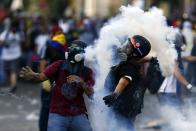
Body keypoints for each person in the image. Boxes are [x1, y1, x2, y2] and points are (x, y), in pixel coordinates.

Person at [20, 40, 94, 131]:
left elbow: (91, 94)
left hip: (78, 114)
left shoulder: (87, 72)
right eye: (70, 49)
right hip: (58, 114)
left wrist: (81, 82)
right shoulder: (59, 65)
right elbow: (40, 78)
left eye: (73, 49)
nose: (70, 51)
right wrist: (33, 76)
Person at [103, 35, 151, 131]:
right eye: (126, 43)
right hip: (126, 106)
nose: (124, 47)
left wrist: (115, 95)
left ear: (134, 53)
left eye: (128, 47)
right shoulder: (130, 62)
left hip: (122, 107)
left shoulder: (129, 66)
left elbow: (124, 81)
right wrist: (150, 59)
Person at [37, 25, 67, 131]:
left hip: (50, 78)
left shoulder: (48, 44)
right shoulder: (65, 46)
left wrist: (43, 79)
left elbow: (42, 62)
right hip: (61, 80)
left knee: (46, 106)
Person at [0, 20, 22, 92]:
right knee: (10, 71)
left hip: (13, 56)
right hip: (9, 56)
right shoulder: (18, 34)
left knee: (13, 71)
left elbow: (1, 43)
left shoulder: (6, 34)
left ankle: (13, 86)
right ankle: (12, 84)